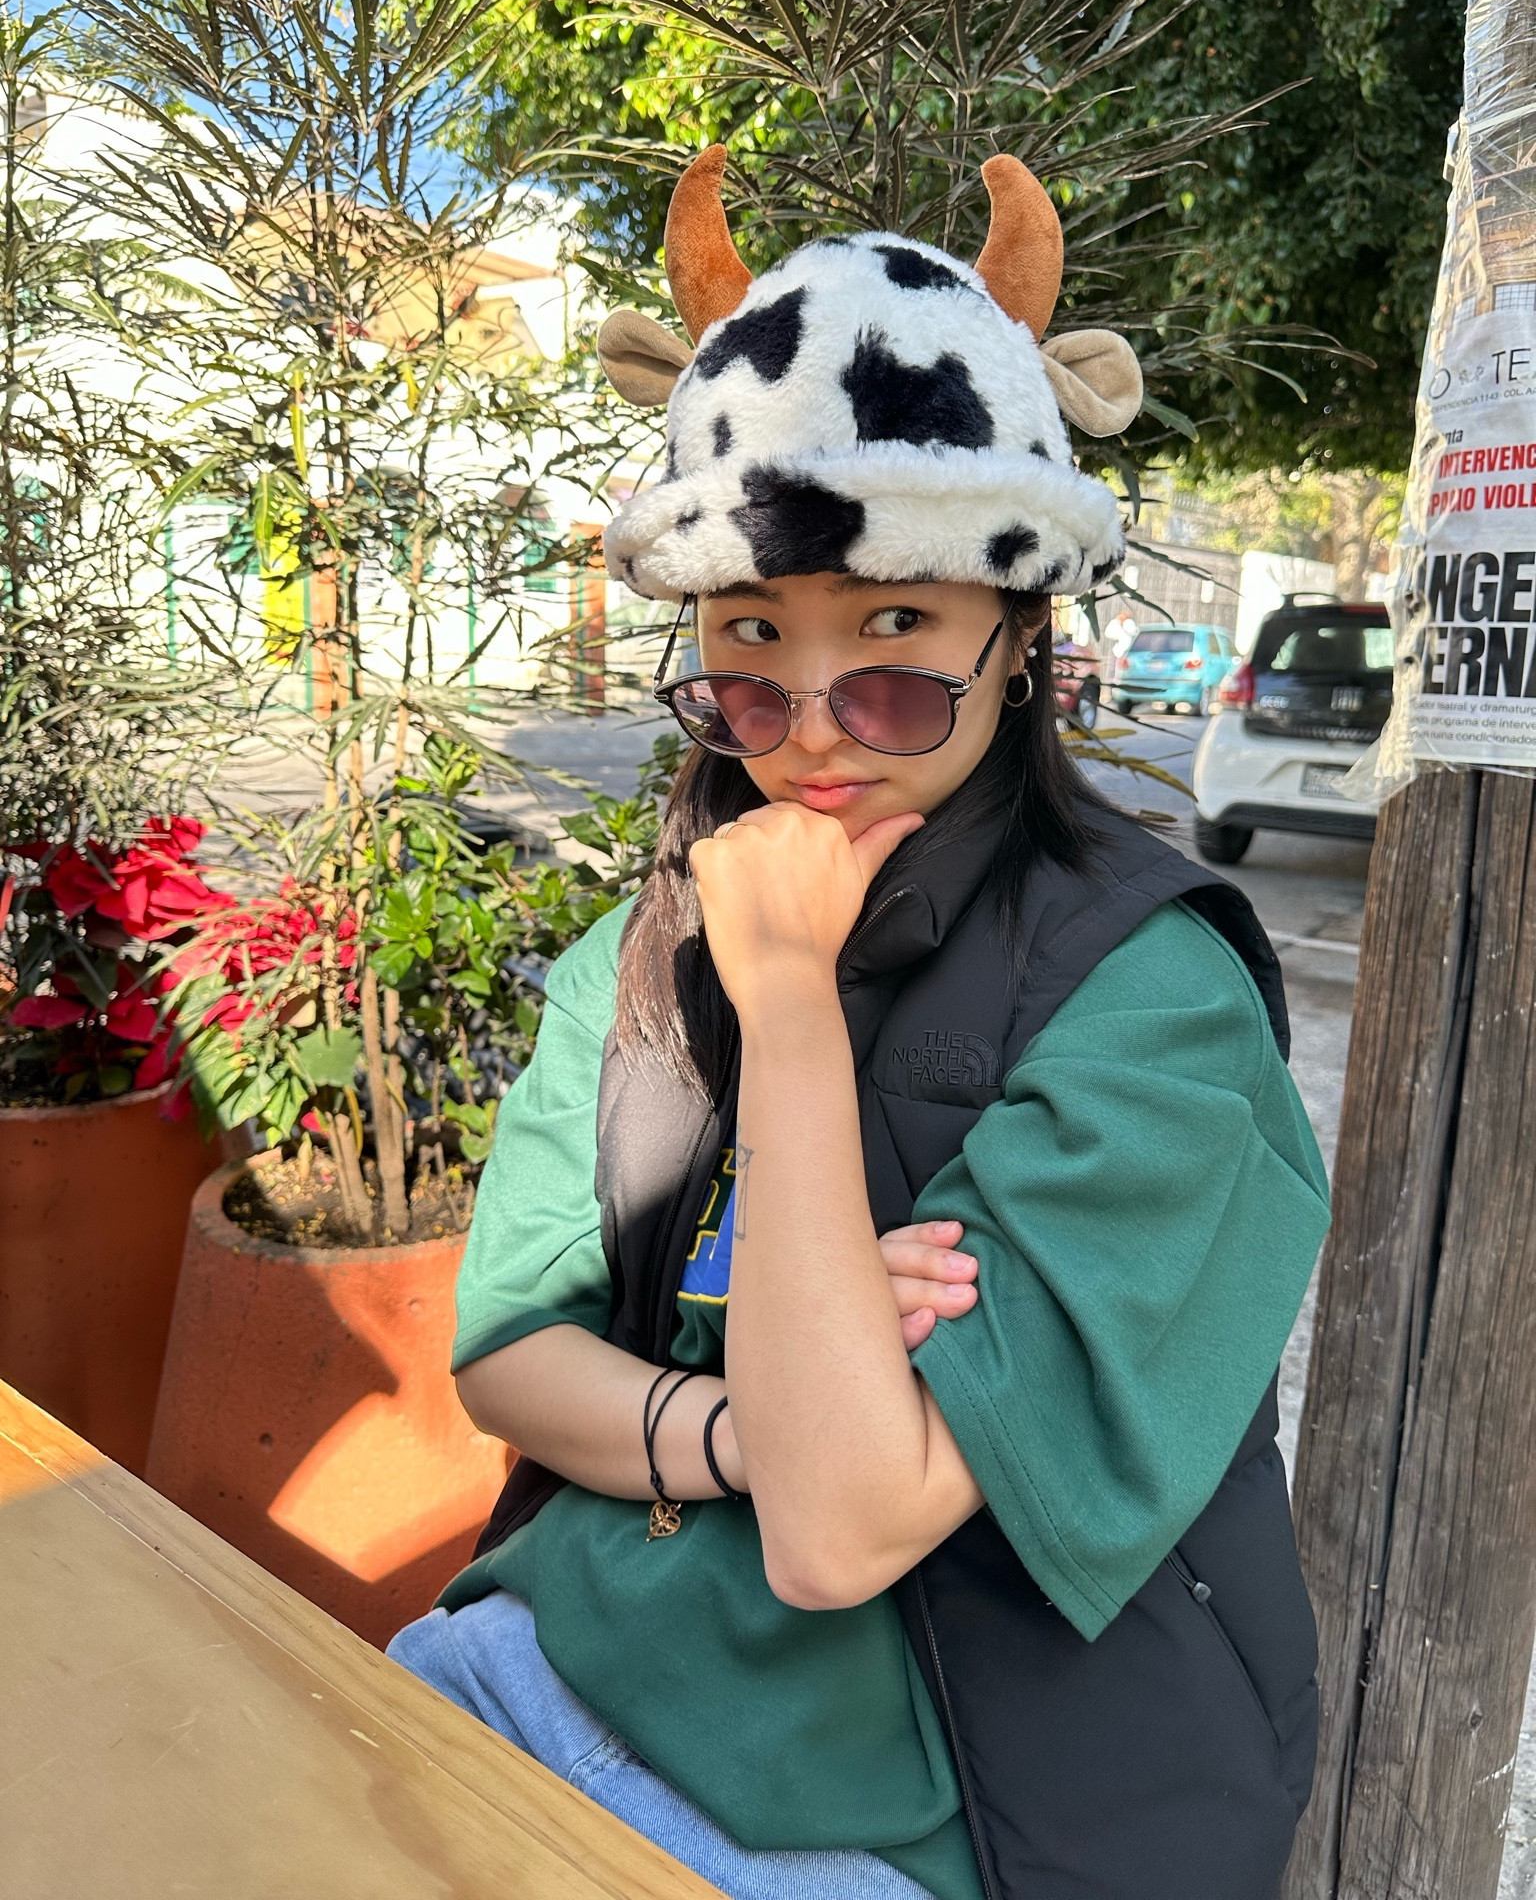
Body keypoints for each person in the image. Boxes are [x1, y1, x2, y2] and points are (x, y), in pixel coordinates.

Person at [387, 148, 1331, 1900]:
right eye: (752, 651)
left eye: (896, 638)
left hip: (920, 1817)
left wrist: (792, 1015)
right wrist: (765, 1406)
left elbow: (841, 1537)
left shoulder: (1152, 1002)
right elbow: (511, 1356)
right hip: (526, 1670)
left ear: (1020, 638)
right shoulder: (639, 947)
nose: (816, 731)